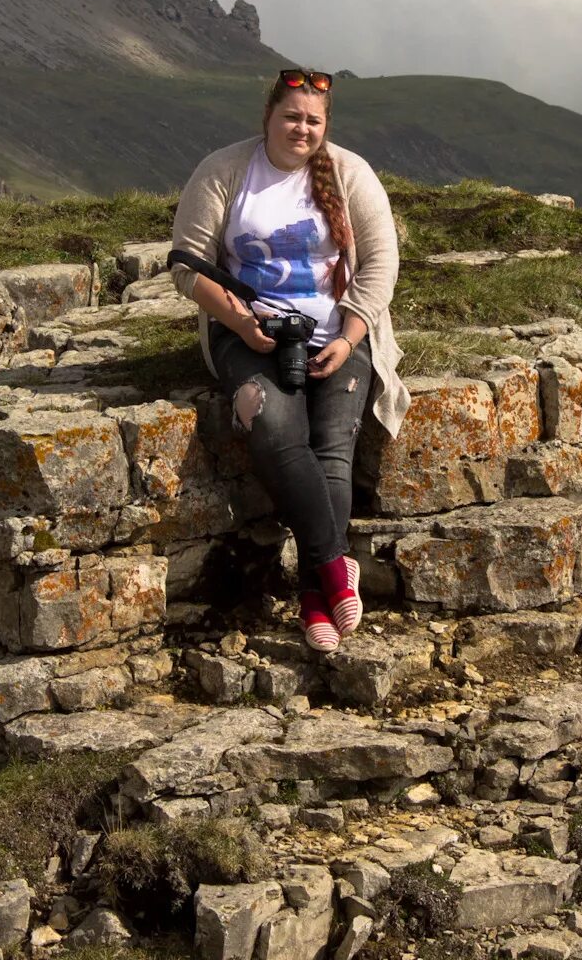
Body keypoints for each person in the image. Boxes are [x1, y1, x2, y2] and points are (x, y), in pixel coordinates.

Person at [171, 68, 411, 651]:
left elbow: (381, 264)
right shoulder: (224, 170)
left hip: (337, 333)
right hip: (246, 333)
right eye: (291, 116)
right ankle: (333, 567)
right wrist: (241, 324)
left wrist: (351, 336)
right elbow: (185, 264)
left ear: (325, 126)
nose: (301, 128)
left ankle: (312, 598)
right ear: (269, 117)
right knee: (275, 426)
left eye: (313, 120)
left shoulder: (350, 174)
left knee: (333, 445)